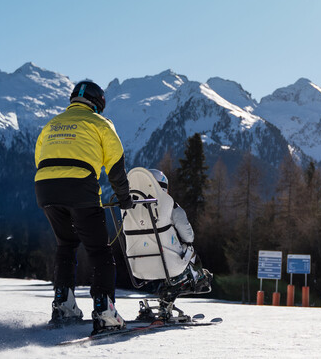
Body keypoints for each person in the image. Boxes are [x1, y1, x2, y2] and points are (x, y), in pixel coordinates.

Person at [35, 79, 133, 335]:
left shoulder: (51, 124)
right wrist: (125, 198)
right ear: (98, 103)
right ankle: (104, 311)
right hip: (80, 187)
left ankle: (63, 307)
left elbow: (39, 158)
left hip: (45, 188)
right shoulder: (100, 123)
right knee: (100, 252)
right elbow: (116, 165)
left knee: (66, 246)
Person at [145, 169, 211, 294]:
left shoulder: (132, 209)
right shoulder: (172, 208)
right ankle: (199, 279)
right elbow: (188, 237)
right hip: (167, 262)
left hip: (139, 263)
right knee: (190, 251)